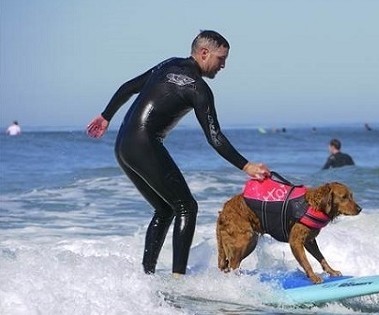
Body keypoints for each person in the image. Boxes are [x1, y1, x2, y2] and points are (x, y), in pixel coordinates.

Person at [86, 30, 270, 276]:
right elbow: (215, 137)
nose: (223, 65)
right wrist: (246, 166)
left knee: (165, 209)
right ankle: (178, 278)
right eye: (221, 58)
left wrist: (106, 116)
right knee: (187, 207)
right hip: (145, 145)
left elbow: (129, 87)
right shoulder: (198, 89)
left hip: (123, 146)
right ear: (204, 53)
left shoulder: (168, 64)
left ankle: (147, 275)